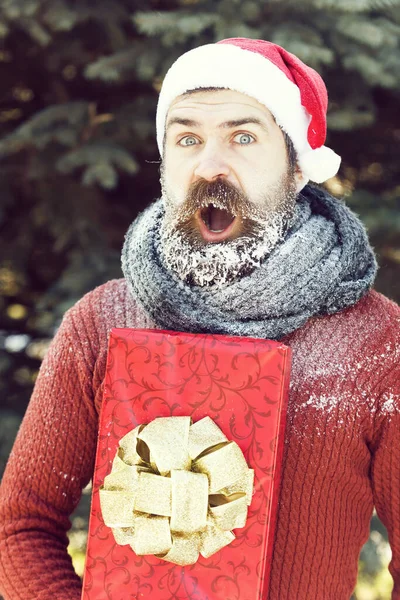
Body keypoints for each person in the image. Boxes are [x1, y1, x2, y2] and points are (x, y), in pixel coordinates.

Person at [0, 37, 399, 600]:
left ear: (295, 167)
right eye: (188, 138)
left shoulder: (376, 344)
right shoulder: (102, 323)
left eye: (243, 137)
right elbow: (20, 526)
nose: (210, 165)